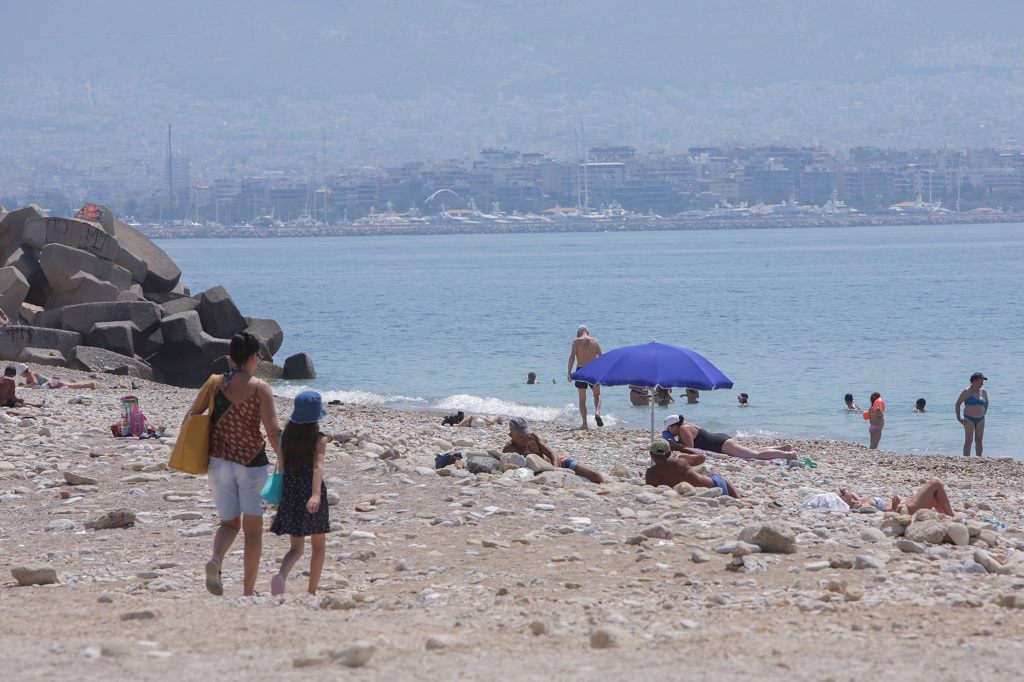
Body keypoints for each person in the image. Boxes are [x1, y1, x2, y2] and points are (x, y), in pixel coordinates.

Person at [191, 332, 281, 597]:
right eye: (259, 356)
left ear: (232, 356)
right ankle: (248, 590)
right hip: (252, 465)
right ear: (253, 357)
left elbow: (193, 415)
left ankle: (216, 560)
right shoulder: (260, 387)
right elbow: (273, 431)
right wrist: (287, 463)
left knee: (229, 524)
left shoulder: (215, 383)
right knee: (253, 532)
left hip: (219, 464)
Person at [269, 391, 329, 596]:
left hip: (291, 490)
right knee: (318, 545)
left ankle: (281, 576)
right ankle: (312, 590)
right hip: (309, 490)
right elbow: (317, 468)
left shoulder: (286, 437)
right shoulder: (319, 439)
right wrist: (316, 495)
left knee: (296, 547)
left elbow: (282, 466)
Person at [502, 417, 603, 483]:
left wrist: (555, 469)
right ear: (511, 435)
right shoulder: (509, 449)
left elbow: (552, 453)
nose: (526, 438)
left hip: (559, 461)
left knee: (597, 476)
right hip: (543, 472)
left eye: (527, 434)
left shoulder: (532, 437)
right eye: (522, 436)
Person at [662, 414, 796, 461]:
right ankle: (783, 448)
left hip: (721, 444)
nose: (669, 431)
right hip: (721, 439)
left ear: (674, 426)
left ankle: (789, 455)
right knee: (752, 451)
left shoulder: (684, 429)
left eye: (669, 429)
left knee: (753, 455)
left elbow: (690, 448)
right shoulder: (685, 426)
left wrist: (676, 446)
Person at [645, 438, 740, 497]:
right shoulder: (679, 459)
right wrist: (679, 447)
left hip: (687, 495)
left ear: (651, 454)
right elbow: (702, 457)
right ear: (670, 453)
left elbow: (654, 489)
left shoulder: (650, 474)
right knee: (714, 473)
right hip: (715, 487)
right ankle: (738, 497)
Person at [838, 478, 953, 516]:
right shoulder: (862, 505)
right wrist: (894, 506)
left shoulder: (859, 501)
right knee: (935, 483)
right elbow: (886, 514)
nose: (845, 489)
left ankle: (949, 516)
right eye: (842, 492)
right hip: (905, 510)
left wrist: (849, 494)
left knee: (935, 497)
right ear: (843, 500)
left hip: (906, 505)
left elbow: (853, 496)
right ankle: (952, 516)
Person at [567, 325, 603, 428]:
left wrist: (569, 373)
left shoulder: (576, 341)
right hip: (594, 370)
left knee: (582, 399)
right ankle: (597, 412)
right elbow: (601, 357)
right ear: (588, 331)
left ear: (578, 332)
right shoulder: (595, 341)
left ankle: (584, 424)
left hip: (581, 370)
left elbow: (572, 357)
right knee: (597, 394)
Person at [955, 372, 989, 458]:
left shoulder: (983, 392)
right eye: (981, 382)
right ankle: (966, 458)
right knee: (969, 440)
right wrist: (959, 418)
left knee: (979, 440)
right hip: (969, 418)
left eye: (982, 382)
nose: (982, 384)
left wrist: (984, 412)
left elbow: (987, 402)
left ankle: (979, 458)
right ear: (974, 381)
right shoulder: (966, 391)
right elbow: (958, 404)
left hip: (980, 419)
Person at [16, 364, 97, 389]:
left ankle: (89, 384)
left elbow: (35, 383)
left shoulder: (32, 374)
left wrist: (25, 386)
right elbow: (30, 384)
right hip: (52, 382)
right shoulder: (28, 377)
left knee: (72, 386)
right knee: (70, 385)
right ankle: (89, 384)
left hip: (53, 382)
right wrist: (24, 385)